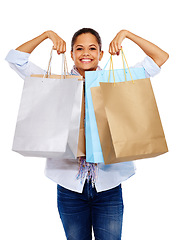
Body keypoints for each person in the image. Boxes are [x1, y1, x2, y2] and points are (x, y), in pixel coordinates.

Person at [5, 28, 169, 240]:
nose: (86, 53)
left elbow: (160, 57)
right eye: (79, 48)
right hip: (69, 186)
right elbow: (16, 60)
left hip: (108, 184)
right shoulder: (55, 82)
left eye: (92, 48)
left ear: (101, 54)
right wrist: (47, 35)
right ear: (71, 53)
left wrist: (127, 35)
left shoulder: (115, 81)